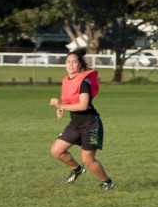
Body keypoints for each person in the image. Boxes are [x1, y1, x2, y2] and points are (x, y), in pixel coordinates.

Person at [49, 50, 114, 191]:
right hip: (75, 124)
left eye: (74, 62)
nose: (71, 65)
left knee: (88, 160)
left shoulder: (84, 82)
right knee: (56, 151)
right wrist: (61, 108)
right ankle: (77, 169)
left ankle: (107, 182)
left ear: (80, 64)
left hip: (91, 125)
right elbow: (69, 101)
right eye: (68, 62)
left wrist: (61, 105)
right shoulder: (66, 80)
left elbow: (83, 105)